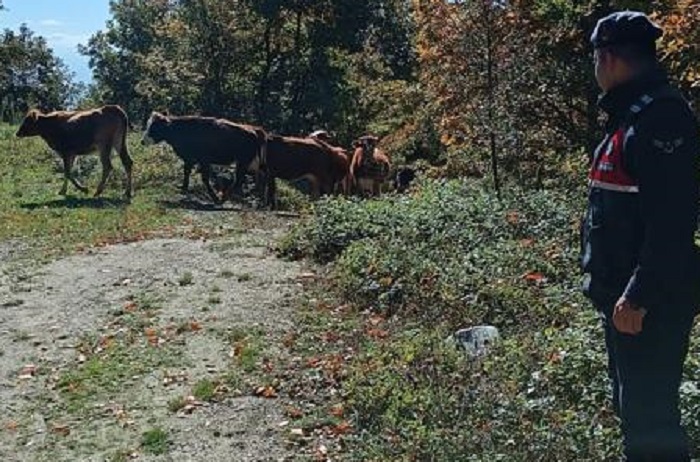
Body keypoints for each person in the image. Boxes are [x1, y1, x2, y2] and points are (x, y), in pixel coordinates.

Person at [581, 10, 700, 461]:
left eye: (595, 59)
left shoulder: (661, 120)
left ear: (608, 58)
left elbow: (673, 221)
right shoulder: (627, 115)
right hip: (623, 301)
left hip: (650, 304)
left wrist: (638, 294)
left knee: (652, 423)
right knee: (636, 416)